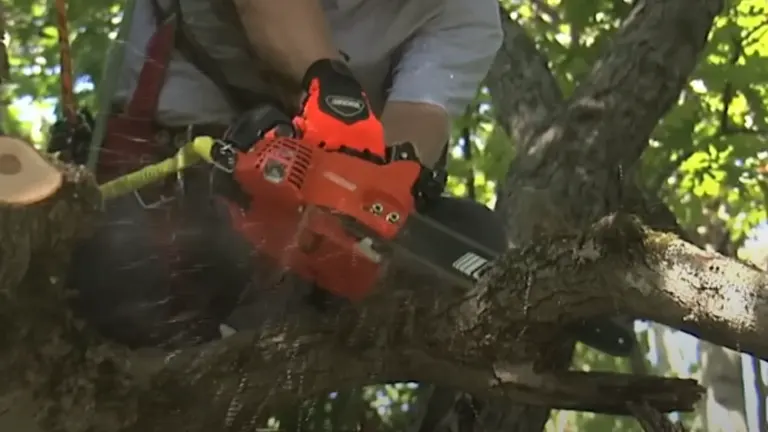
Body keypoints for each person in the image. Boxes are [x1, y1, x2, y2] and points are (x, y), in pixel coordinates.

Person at [67, 0, 507, 348]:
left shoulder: (466, 13)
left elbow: (421, 115)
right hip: (171, 158)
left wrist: (382, 184)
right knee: (129, 275)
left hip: (290, 203)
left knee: (469, 232)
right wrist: (327, 86)